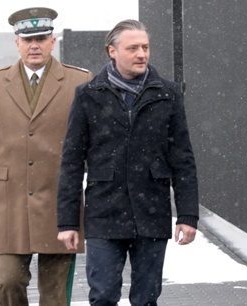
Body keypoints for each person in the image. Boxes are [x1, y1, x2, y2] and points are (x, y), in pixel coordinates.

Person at [57, 19, 199, 306]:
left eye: (145, 47)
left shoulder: (167, 94)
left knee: (146, 299)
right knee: (103, 296)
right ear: (112, 51)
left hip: (151, 212)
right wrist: (68, 221)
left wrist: (187, 215)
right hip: (104, 214)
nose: (141, 54)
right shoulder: (88, 96)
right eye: (133, 48)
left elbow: (183, 159)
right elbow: (71, 162)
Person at [0, 7, 92, 306]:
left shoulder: (79, 82)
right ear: (16, 43)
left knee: (55, 294)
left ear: (53, 41)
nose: (34, 45)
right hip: (10, 204)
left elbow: (95, 145)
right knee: (7, 282)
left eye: (41, 38)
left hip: (61, 205)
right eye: (27, 39)